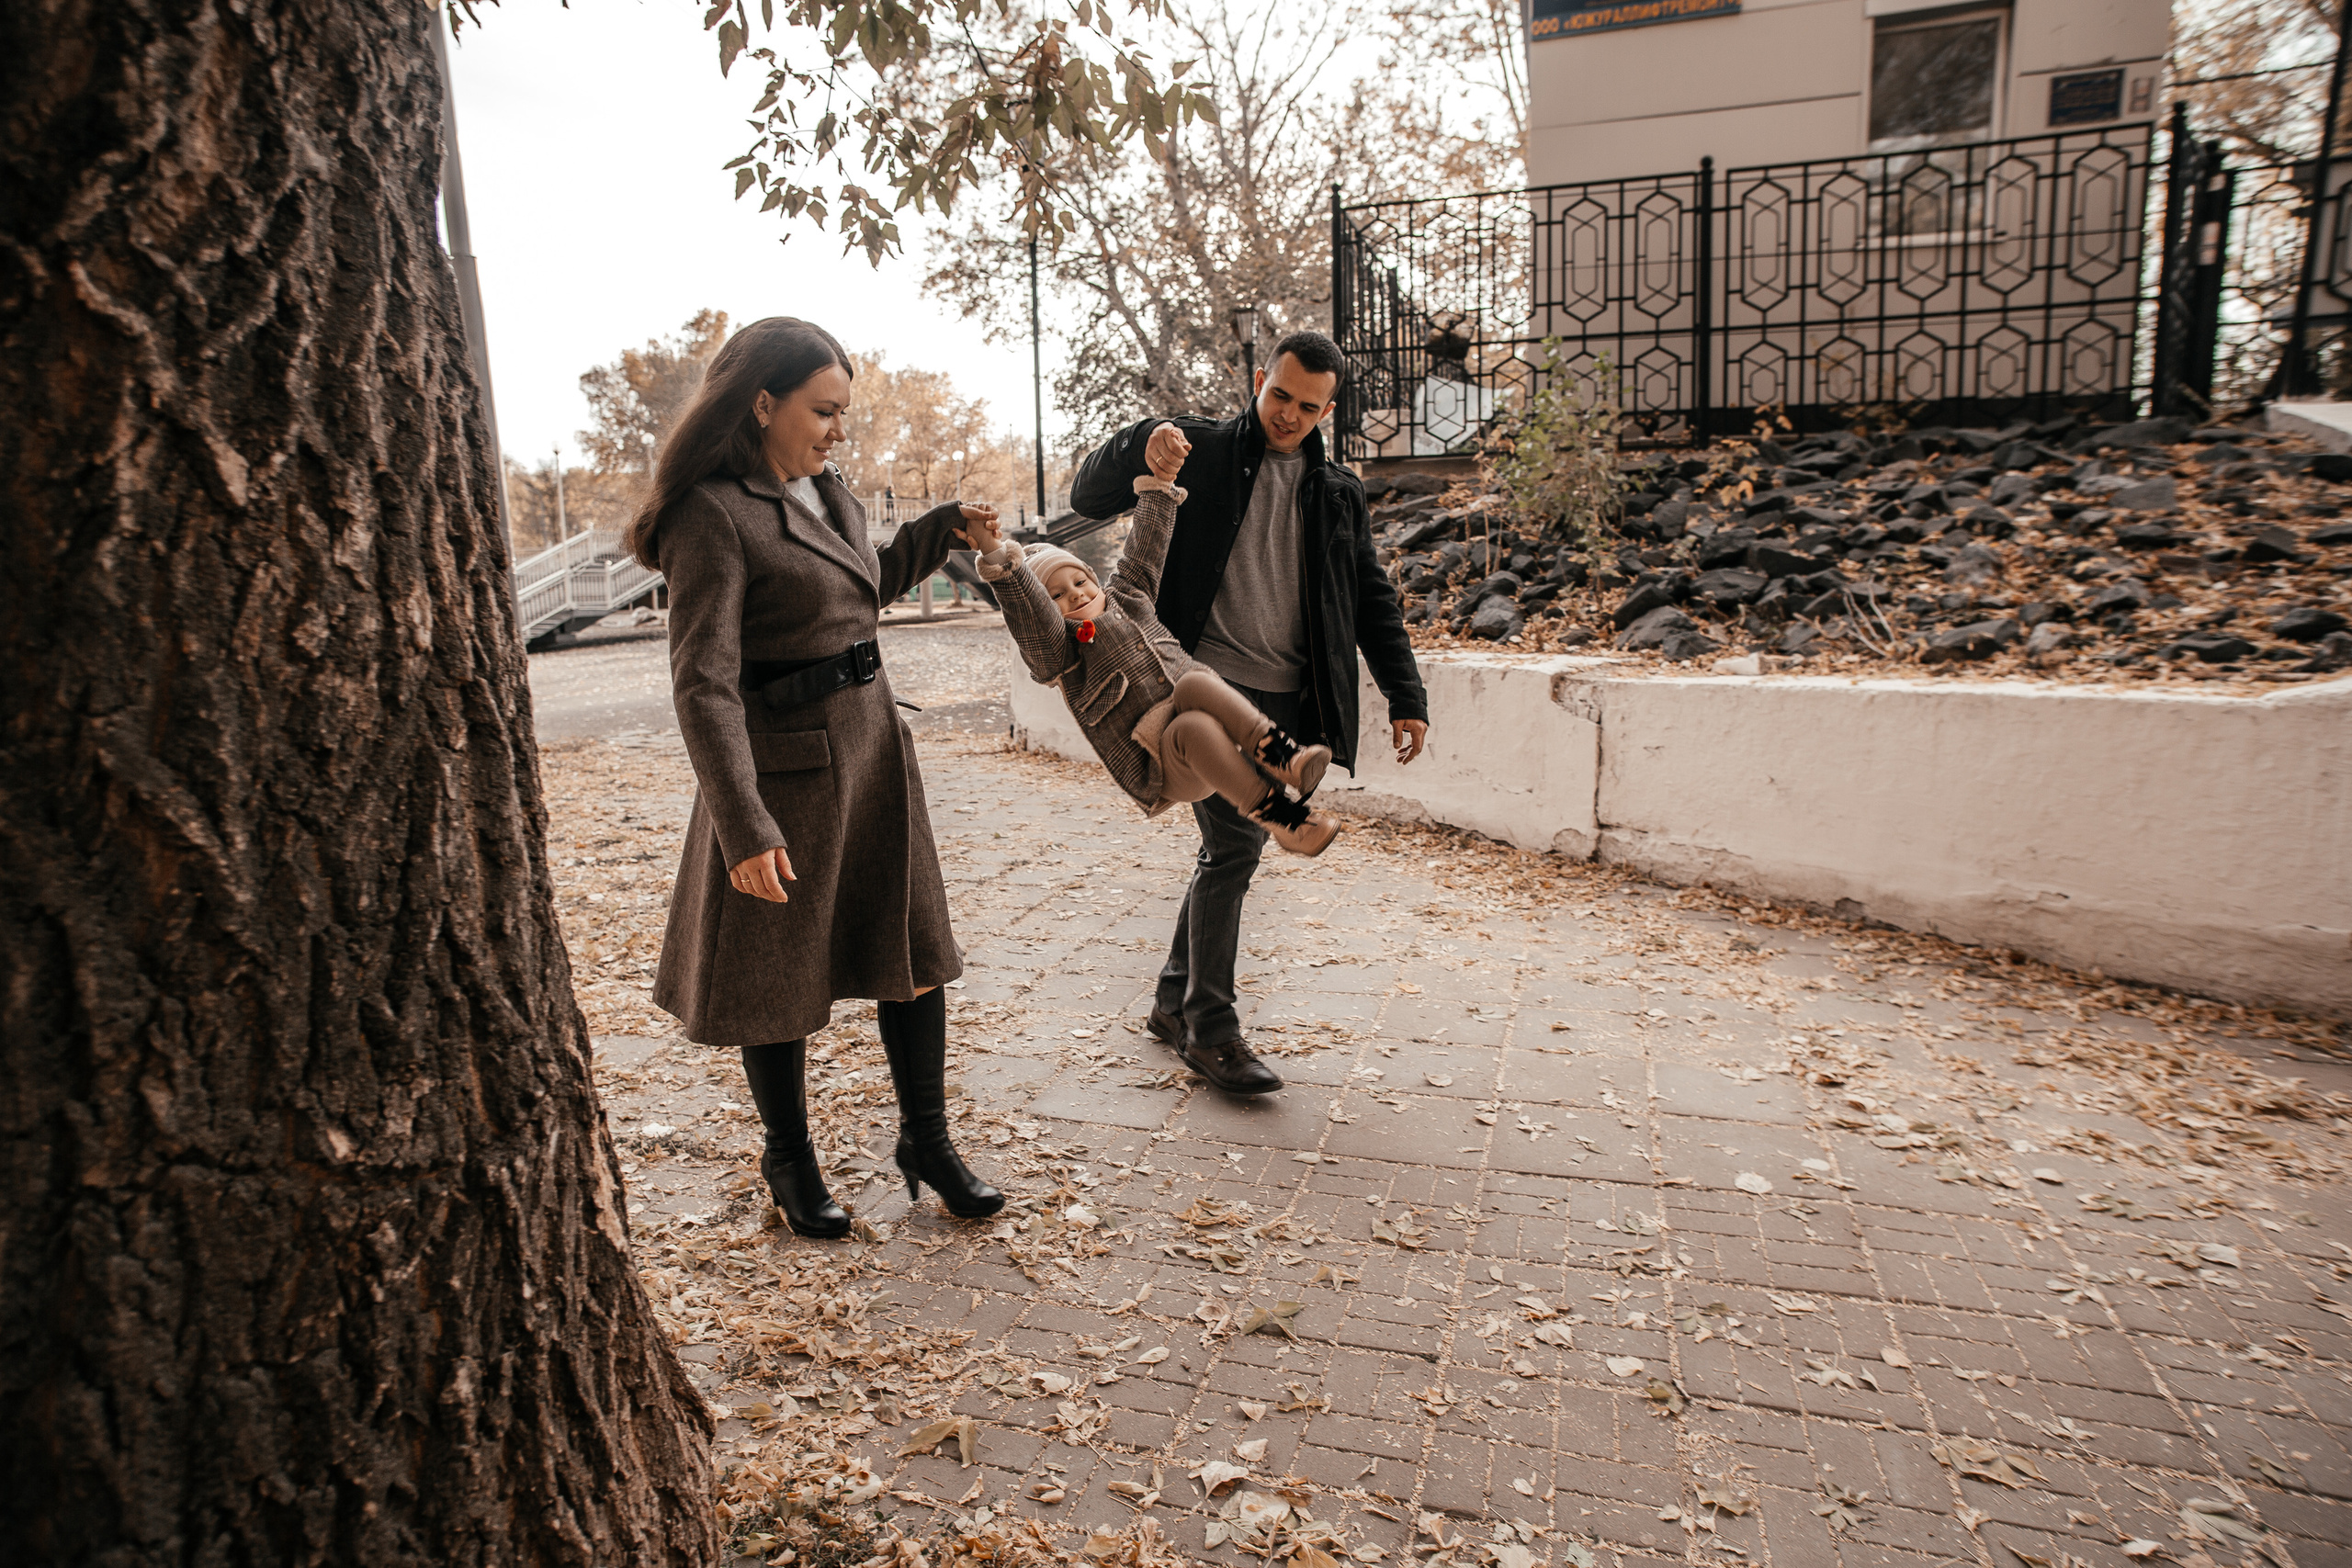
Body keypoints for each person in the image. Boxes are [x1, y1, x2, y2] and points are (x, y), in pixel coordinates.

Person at [624, 316, 1005, 1238]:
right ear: (763, 402)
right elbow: (703, 686)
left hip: (873, 754)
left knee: (911, 955)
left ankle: (928, 1141)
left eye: (843, 413)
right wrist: (742, 824)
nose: (838, 430)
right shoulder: (708, 514)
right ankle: (788, 1159)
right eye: (823, 410)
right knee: (776, 977)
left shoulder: (829, 491)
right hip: (784, 773)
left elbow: (854, 586)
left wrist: (938, 531)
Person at [1069, 330, 1430, 1097]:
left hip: (1286, 699)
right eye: (1280, 396)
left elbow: (1370, 597)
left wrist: (1407, 694)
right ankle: (1212, 1030)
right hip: (1200, 690)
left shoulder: (1336, 492)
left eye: (1308, 406)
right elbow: (1085, 496)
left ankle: (1173, 1003)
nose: (1289, 416)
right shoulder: (1195, 449)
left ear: (1328, 408)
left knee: (1229, 854)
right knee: (1235, 849)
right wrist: (1141, 443)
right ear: (1260, 380)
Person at [971, 461, 1342, 855]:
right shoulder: (1062, 653)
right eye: (1057, 596)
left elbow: (1145, 546)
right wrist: (996, 553)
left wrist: (1161, 481)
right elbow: (1028, 611)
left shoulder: (1130, 597)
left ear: (1093, 580)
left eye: (1079, 582)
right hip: (1163, 763)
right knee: (1191, 729)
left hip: (1208, 722)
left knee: (1195, 683)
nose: (1075, 595)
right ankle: (1283, 819)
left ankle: (1284, 756)